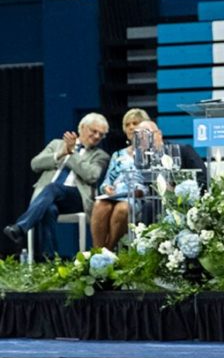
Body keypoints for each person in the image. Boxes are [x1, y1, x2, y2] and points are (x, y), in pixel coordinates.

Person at [4, 113, 111, 258]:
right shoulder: (56, 144)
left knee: (53, 187)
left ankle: (20, 227)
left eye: (101, 134)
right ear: (82, 128)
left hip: (77, 198)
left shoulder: (100, 155)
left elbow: (92, 175)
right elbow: (35, 164)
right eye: (94, 131)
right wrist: (59, 154)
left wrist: (72, 153)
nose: (97, 136)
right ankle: (50, 260)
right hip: (48, 197)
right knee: (48, 209)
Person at [93, 119, 208, 249]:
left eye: (148, 134)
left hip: (186, 202)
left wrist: (181, 190)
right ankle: (103, 251)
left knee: (132, 208)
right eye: (140, 137)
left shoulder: (183, 151)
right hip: (155, 203)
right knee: (107, 205)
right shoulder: (143, 162)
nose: (144, 140)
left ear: (159, 134)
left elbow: (204, 179)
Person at [91, 108, 151, 250]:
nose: (131, 127)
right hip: (115, 195)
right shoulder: (118, 155)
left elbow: (153, 181)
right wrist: (106, 188)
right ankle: (97, 251)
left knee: (122, 209)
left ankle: (108, 249)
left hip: (137, 198)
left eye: (135, 123)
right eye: (127, 124)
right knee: (100, 205)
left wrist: (141, 191)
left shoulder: (150, 153)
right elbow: (107, 181)